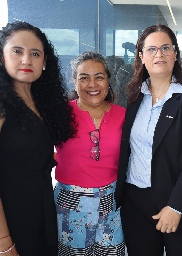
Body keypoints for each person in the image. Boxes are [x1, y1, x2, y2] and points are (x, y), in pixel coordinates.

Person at [0, 21, 75, 256]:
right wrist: (3, 244)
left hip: (41, 211)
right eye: (17, 51)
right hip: (5, 219)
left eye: (35, 54)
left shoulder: (44, 106)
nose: (27, 60)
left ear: (44, 61)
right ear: (1, 55)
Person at [114, 24, 182, 256]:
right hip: (135, 203)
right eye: (151, 49)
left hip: (181, 202)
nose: (158, 54)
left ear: (175, 53)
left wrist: (176, 206)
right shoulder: (130, 96)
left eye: (165, 48)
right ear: (141, 56)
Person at [54, 52, 126, 255]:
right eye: (84, 78)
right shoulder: (60, 114)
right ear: (74, 82)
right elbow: (37, 150)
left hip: (111, 201)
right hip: (70, 202)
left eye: (99, 77)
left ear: (108, 81)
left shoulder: (123, 115)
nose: (92, 84)